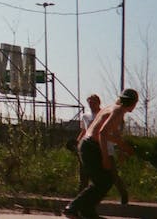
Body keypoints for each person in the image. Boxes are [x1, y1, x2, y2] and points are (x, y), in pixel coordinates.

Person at [63, 88, 139, 218]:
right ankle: (73, 208)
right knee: (103, 181)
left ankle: (87, 211)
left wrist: (123, 148)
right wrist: (105, 158)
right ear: (133, 103)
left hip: (89, 145)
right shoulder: (118, 111)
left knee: (105, 180)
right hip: (90, 146)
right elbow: (102, 133)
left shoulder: (112, 108)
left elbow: (112, 135)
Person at [74, 94, 101, 191]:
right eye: (90, 103)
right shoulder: (85, 116)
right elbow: (84, 131)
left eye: (93, 103)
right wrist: (77, 142)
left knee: (97, 171)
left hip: (98, 146)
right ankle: (82, 190)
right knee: (83, 169)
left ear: (98, 103)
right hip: (87, 146)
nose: (91, 105)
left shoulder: (103, 115)